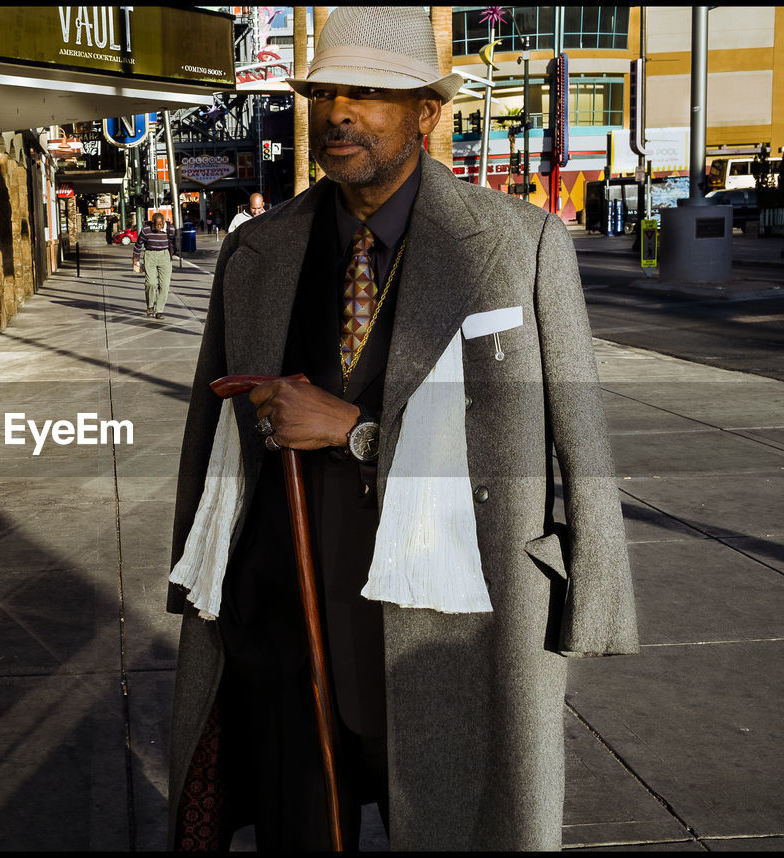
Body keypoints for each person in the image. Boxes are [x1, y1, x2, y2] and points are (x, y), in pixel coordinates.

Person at [165, 6, 638, 852]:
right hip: (290, 617)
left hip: (457, 621)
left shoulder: (518, 244)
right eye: (325, 92)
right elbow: (210, 438)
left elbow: (579, 435)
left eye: (371, 94)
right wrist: (192, 579)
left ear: (426, 113)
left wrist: (357, 430)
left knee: (463, 821)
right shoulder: (257, 255)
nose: (339, 112)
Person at [132, 212, 176, 319]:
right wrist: (135, 260)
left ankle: (159, 310)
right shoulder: (146, 230)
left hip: (164, 255)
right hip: (150, 255)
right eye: (157, 225)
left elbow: (172, 241)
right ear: (153, 223)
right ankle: (150, 306)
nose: (159, 227)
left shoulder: (170, 229)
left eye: (161, 224)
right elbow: (138, 244)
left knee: (164, 285)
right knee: (151, 283)